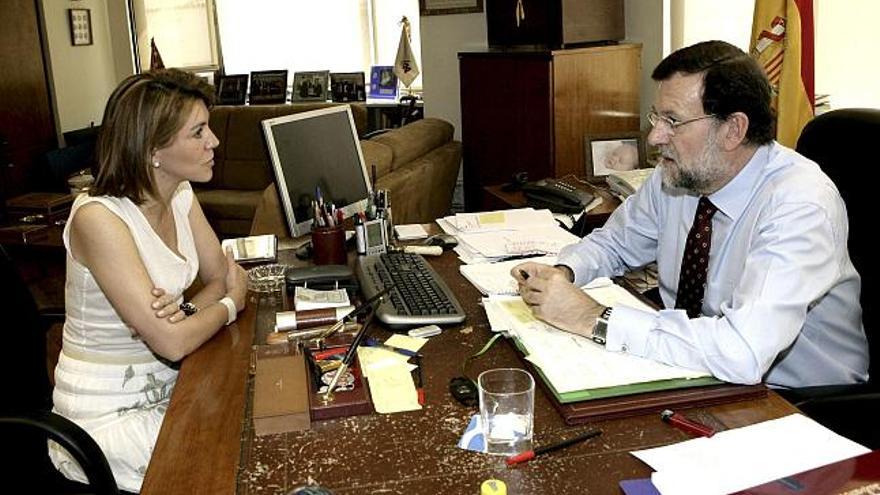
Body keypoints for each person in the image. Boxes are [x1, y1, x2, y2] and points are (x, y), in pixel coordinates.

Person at [513, 40, 868, 390]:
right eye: (658, 117)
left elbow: (742, 351)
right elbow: (616, 244)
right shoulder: (680, 174)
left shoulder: (799, 205)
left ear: (733, 129)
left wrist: (591, 317)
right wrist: (562, 274)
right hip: (691, 370)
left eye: (672, 121)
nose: (654, 137)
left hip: (796, 403)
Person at [48, 69, 248, 492]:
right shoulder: (98, 217)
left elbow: (217, 275)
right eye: (198, 132)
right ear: (153, 148)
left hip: (173, 383)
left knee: (250, 420)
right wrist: (230, 305)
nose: (213, 141)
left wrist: (188, 313)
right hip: (106, 417)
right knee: (232, 465)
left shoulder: (179, 193)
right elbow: (175, 339)